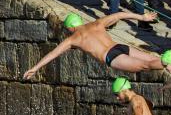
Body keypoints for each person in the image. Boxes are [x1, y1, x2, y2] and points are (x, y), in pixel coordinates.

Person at [24, 12, 162, 79]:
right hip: (119, 46)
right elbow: (118, 15)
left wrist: (35, 68)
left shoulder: (73, 38)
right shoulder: (97, 23)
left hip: (111, 56)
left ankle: (169, 63)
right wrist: (142, 17)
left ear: (70, 27)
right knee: (151, 59)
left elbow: (53, 54)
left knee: (145, 65)